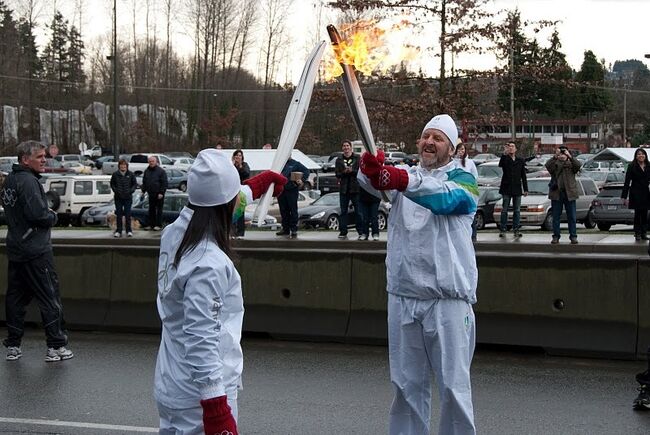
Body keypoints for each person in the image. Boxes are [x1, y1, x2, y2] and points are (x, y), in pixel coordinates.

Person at [358, 114, 479, 435]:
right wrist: (369, 168)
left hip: (447, 300)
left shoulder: (465, 178)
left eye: (438, 138)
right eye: (426, 136)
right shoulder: (407, 175)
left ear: (453, 148)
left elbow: (446, 199)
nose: (429, 142)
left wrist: (396, 179)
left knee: (453, 387)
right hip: (403, 296)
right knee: (405, 386)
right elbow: (372, 184)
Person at [154, 149, 286, 434]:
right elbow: (201, 337)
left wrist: (257, 186)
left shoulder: (174, 233)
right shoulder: (208, 263)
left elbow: (219, 201)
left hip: (172, 382)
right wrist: (216, 409)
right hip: (200, 398)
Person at [1, 140, 74, 362]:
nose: (44, 160)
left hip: (16, 247)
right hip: (36, 250)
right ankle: (56, 346)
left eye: (45, 156)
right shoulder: (30, 182)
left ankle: (13, 345)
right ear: (25, 159)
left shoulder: (10, 181)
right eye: (40, 157)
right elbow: (39, 215)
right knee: (49, 296)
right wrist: (52, 215)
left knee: (15, 299)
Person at [545, 146, 582, 244]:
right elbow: (547, 165)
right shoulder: (555, 164)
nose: (562, 155)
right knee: (556, 216)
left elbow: (578, 165)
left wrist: (570, 156)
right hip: (557, 193)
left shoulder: (571, 164)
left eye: (563, 153)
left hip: (569, 193)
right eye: (561, 154)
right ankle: (556, 236)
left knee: (572, 217)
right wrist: (555, 156)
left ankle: (573, 236)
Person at [498, 142, 528, 238]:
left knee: (517, 210)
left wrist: (525, 188)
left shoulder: (520, 160)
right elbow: (501, 164)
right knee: (504, 209)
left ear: (516, 149)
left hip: (517, 188)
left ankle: (516, 229)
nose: (511, 148)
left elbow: (523, 175)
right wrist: (504, 153)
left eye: (512, 146)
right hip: (506, 188)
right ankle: (503, 229)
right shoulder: (505, 159)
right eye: (509, 146)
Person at [335, 140, 362, 239]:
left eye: (347, 146)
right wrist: (344, 172)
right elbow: (337, 174)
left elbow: (360, 171)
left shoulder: (357, 158)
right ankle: (343, 231)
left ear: (351, 147)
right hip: (344, 189)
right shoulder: (339, 159)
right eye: (344, 146)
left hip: (355, 188)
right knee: (343, 211)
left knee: (358, 211)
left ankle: (361, 231)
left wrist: (352, 171)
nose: (346, 148)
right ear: (342, 148)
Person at [276, 158, 309, 239]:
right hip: (281, 190)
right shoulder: (279, 163)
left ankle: (293, 229)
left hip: (292, 190)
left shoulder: (295, 163)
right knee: (283, 210)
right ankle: (285, 229)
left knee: (293, 210)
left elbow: (306, 171)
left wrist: (301, 180)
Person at [621, 148, 650, 241]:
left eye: (642, 154)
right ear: (636, 156)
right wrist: (624, 197)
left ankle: (644, 232)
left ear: (645, 156)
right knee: (638, 214)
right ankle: (637, 233)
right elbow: (627, 182)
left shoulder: (648, 166)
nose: (641, 156)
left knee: (645, 213)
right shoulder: (632, 166)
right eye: (639, 154)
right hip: (636, 193)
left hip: (646, 192)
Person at [455, 143, 478, 241]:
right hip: (456, 191)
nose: (461, 151)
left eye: (463, 149)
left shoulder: (469, 162)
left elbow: (475, 176)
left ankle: (473, 235)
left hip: (468, 191)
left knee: (470, 213)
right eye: (459, 149)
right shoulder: (453, 162)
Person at [110, 158, 137, 237]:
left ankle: (129, 230)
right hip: (118, 197)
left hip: (128, 197)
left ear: (127, 166)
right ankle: (119, 230)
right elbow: (112, 184)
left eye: (124, 165)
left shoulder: (131, 174)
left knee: (128, 214)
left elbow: (134, 184)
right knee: (119, 214)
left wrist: (130, 191)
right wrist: (116, 191)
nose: (123, 167)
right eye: (121, 165)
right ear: (119, 166)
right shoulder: (115, 174)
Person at [141, 156, 168, 231]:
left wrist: (161, 192)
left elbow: (164, 183)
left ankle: (158, 225)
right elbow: (144, 182)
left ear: (156, 162)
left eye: (153, 161)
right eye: (150, 161)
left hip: (159, 194)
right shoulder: (147, 171)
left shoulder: (161, 171)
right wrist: (143, 191)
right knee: (151, 210)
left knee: (159, 210)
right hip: (151, 193)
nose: (151, 163)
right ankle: (151, 224)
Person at [232, 149, 251, 238]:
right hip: (232, 191)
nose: (238, 157)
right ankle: (232, 231)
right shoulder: (231, 166)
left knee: (240, 211)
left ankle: (240, 232)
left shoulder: (244, 165)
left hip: (241, 191)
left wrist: (240, 166)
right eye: (236, 156)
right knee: (232, 211)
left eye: (240, 156)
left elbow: (247, 174)